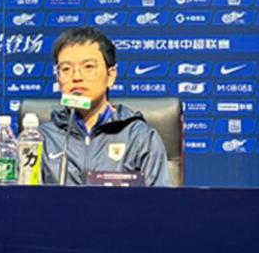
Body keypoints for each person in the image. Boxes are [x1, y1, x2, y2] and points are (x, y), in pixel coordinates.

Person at [39, 27, 171, 187]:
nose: (76, 77)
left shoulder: (139, 137)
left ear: (111, 76)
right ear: (58, 80)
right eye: (66, 69)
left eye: (88, 67)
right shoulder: (41, 139)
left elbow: (159, 200)